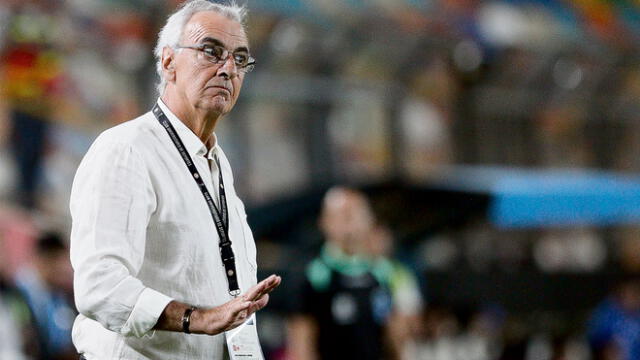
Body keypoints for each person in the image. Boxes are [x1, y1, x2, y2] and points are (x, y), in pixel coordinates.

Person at [69, 1, 281, 359]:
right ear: (168, 63)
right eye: (211, 52)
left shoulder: (216, 164)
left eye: (240, 58)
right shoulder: (127, 150)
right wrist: (197, 319)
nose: (228, 68)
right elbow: (99, 285)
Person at [287, 187, 395, 360]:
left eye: (356, 216)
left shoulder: (381, 271)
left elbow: (393, 334)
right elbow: (302, 337)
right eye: (343, 217)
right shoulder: (315, 274)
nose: (350, 225)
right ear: (325, 222)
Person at [14, 231, 76, 360]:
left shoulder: (59, 296)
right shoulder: (17, 293)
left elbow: (61, 341)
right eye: (58, 261)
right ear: (44, 259)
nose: (63, 268)